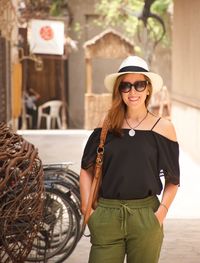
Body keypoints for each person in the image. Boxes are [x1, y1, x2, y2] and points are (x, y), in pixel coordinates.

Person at [79, 56, 180, 263]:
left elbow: (173, 180)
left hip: (146, 216)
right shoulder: (106, 125)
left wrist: (159, 215)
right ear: (119, 90)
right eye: (126, 86)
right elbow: (86, 169)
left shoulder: (163, 128)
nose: (132, 92)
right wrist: (87, 210)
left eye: (139, 85)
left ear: (148, 89)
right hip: (107, 214)